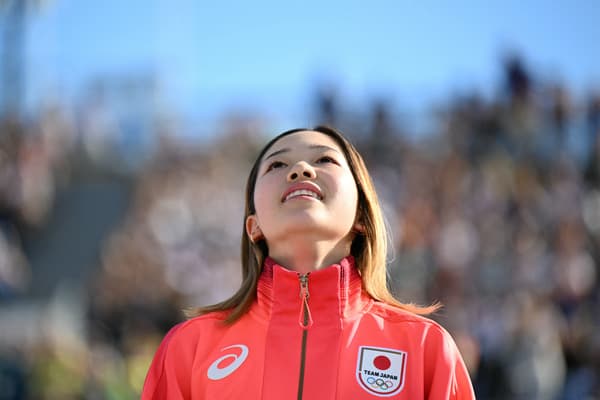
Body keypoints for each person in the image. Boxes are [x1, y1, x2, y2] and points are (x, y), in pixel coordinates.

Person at [141, 126, 475, 399]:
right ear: (253, 226)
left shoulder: (424, 348)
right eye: (277, 165)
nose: (301, 170)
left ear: (361, 215)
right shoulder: (190, 348)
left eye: (325, 160)